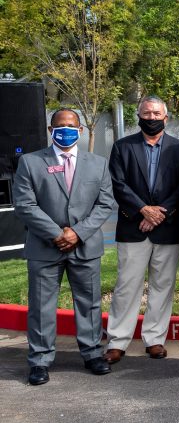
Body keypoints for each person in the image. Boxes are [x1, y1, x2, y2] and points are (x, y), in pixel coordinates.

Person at [13, 109, 115, 385]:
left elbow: (105, 203)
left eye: (71, 127)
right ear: (50, 129)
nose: (66, 131)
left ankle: (93, 353)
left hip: (85, 247)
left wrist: (78, 233)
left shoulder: (98, 164)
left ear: (80, 130)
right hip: (45, 247)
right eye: (60, 127)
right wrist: (57, 234)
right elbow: (25, 205)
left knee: (89, 303)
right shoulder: (30, 162)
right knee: (41, 306)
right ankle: (40, 361)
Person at [104, 96, 179, 363]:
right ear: (138, 116)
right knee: (126, 287)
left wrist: (158, 215)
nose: (151, 118)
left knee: (162, 286)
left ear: (166, 118)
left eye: (156, 114)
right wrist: (143, 210)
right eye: (146, 113)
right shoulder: (122, 147)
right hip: (133, 227)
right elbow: (118, 184)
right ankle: (118, 341)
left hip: (167, 228)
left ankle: (154, 339)